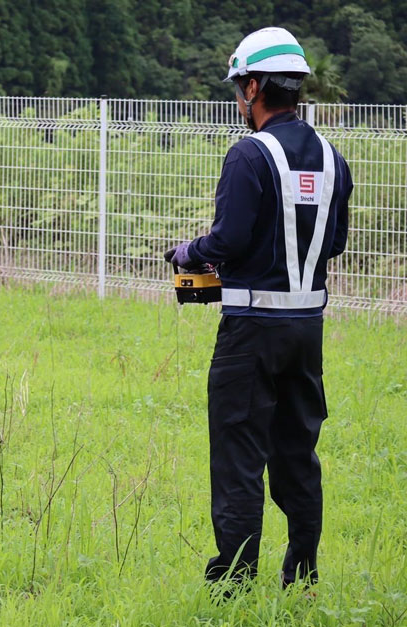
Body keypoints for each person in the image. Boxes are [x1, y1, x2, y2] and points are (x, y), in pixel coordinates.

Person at [164, 27, 353, 587]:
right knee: (298, 451)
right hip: (307, 329)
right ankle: (302, 570)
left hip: (250, 332)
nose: (239, 101)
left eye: (238, 89)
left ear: (252, 87)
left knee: (239, 454)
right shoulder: (332, 158)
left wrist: (186, 252)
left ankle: (234, 581)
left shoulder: (249, 155)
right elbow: (335, 242)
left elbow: (227, 241)